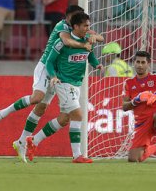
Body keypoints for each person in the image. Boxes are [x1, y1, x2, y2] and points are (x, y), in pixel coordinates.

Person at [0, 5, 103, 162]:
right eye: (76, 18)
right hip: (46, 66)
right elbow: (65, 40)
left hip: (60, 71)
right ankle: (3, 112)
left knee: (45, 110)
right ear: (69, 17)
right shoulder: (63, 26)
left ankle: (24, 141)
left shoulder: (82, 31)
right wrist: (85, 44)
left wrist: (93, 39)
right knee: (37, 98)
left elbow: (99, 37)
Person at [26, 12, 103, 163]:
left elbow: (90, 55)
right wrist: (53, 76)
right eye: (85, 26)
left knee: (64, 118)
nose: (88, 28)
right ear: (75, 26)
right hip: (63, 82)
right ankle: (77, 156)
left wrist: (97, 64)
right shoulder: (62, 42)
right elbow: (48, 62)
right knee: (78, 114)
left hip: (76, 83)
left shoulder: (87, 39)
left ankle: (33, 141)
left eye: (89, 25)